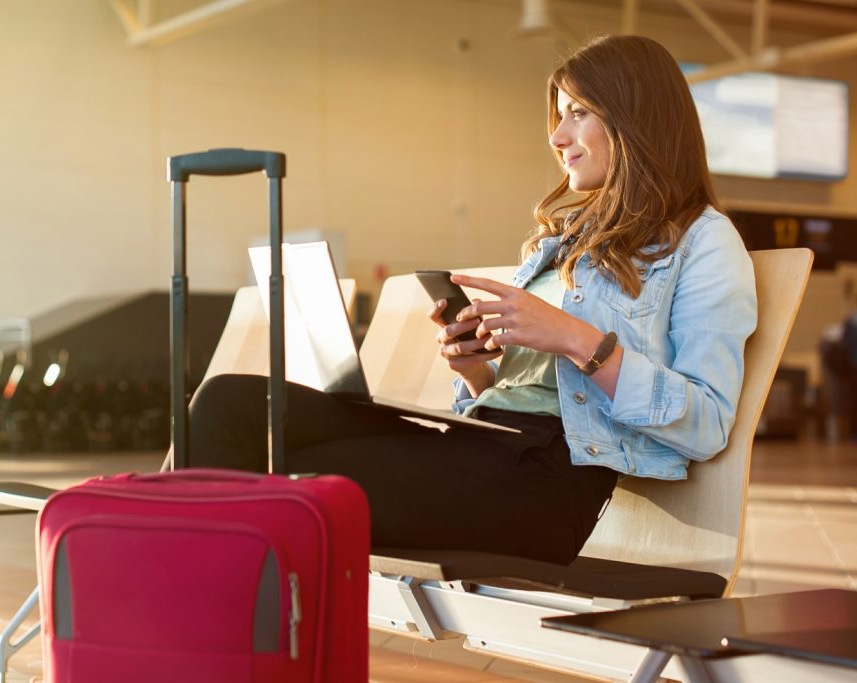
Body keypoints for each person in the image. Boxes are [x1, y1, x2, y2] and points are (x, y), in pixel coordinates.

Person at [188, 35, 757, 565]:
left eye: (578, 113)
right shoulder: (567, 241)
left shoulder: (705, 242)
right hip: (483, 444)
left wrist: (574, 338)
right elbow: (525, 393)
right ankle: (204, 621)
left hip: (547, 483)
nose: (557, 138)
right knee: (227, 405)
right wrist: (479, 373)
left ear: (637, 117)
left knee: (293, 484)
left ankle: (199, 634)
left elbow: (705, 425)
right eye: (559, 116)